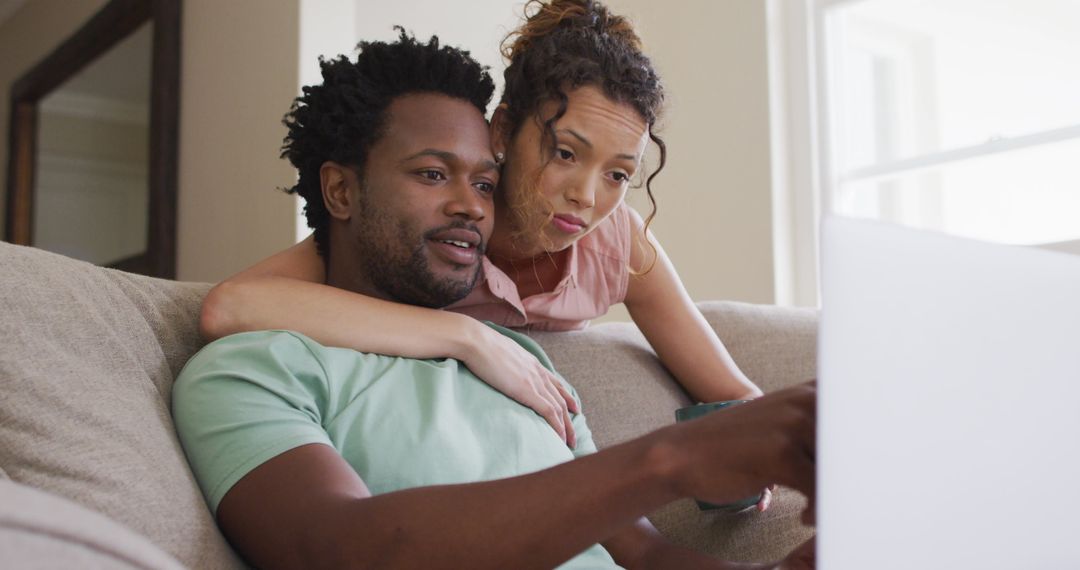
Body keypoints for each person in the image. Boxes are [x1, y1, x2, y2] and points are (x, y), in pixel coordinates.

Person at [173, 31, 816, 569]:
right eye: (432, 173)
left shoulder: (521, 360)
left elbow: (642, 556)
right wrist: (665, 462)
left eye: (485, 182)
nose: (471, 205)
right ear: (341, 191)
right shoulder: (256, 368)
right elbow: (344, 547)